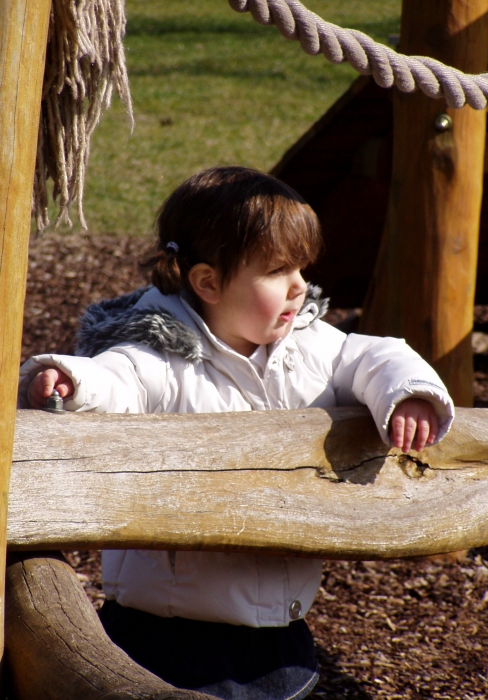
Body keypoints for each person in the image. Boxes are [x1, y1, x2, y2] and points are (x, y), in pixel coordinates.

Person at [19, 166, 454, 700]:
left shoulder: (308, 347)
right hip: (166, 630)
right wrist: (71, 380)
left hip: (278, 630)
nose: (299, 285)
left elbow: (375, 355)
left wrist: (407, 392)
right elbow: (116, 378)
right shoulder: (161, 354)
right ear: (208, 282)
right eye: (277, 270)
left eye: (301, 267)